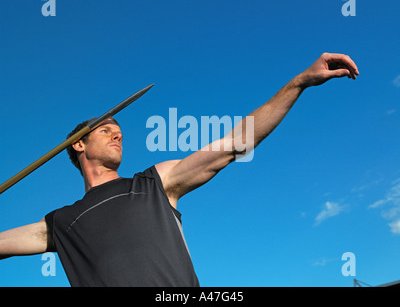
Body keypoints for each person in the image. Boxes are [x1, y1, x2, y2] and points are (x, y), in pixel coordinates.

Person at [0, 53, 359, 286]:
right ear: (78, 145)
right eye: (105, 130)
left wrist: (298, 83)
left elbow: (235, 143)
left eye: (120, 131)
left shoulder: (155, 183)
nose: (117, 135)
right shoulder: (62, 223)